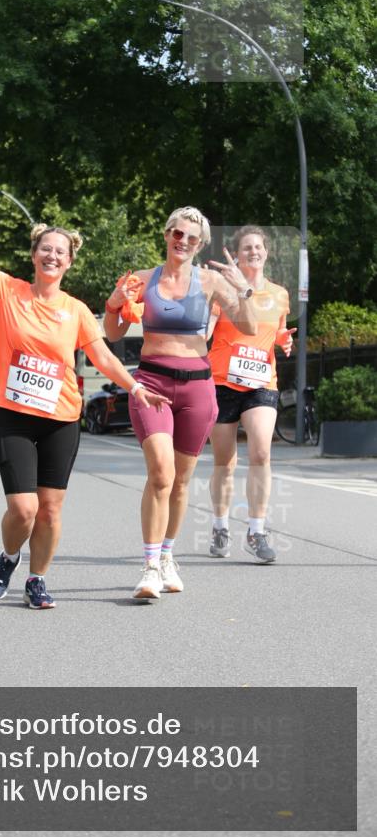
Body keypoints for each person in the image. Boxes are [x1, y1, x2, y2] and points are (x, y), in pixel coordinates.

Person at [0, 174, 170, 609]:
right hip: (15, 417)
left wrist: (136, 387)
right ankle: (9, 556)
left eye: (61, 252)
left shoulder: (74, 311)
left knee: (51, 510)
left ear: (69, 262)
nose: (52, 256)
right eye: (46, 249)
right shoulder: (6, 291)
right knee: (24, 510)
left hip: (62, 420)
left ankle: (37, 579)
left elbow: (105, 358)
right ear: (34, 255)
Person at [104, 206, 258, 602]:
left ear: (200, 243)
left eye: (192, 238)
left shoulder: (209, 282)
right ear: (167, 233)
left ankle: (169, 555)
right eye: (178, 233)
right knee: (160, 473)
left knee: (182, 481)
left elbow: (250, 327)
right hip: (151, 382)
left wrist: (242, 287)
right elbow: (113, 330)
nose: (183, 242)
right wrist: (114, 303)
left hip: (197, 387)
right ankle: (150, 565)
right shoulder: (141, 279)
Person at [207, 225, 295, 564]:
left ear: (266, 253)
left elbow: (275, 333)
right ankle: (219, 525)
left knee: (260, 453)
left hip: (261, 382)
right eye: (247, 248)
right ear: (237, 255)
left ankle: (256, 530)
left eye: (258, 247)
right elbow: (208, 330)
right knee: (225, 463)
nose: (253, 252)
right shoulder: (223, 292)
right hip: (222, 382)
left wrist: (284, 341)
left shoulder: (279, 294)